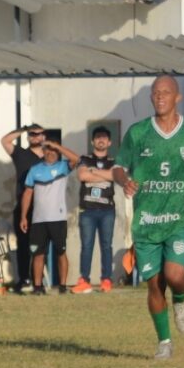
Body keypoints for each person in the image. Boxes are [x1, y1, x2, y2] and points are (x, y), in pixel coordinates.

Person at [113, 75, 184, 360]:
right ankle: (164, 343)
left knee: (174, 275)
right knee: (155, 283)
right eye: (155, 93)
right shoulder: (137, 133)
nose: (160, 97)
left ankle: (181, 301)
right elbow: (118, 166)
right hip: (147, 221)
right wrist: (125, 181)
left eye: (166, 92)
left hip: (180, 217)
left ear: (177, 97)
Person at [19, 140, 81, 294]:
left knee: (61, 252)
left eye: (54, 150)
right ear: (43, 152)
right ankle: (38, 287)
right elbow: (27, 193)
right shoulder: (34, 170)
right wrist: (23, 217)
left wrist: (58, 146)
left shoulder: (62, 167)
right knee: (38, 254)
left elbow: (77, 160)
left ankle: (62, 286)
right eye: (48, 150)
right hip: (38, 219)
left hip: (58, 218)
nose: (51, 153)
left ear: (58, 152)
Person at [1, 123, 47, 293]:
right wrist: (23, 130)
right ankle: (24, 279)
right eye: (33, 134)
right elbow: (5, 141)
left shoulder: (50, 157)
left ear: (44, 136)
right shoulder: (21, 154)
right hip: (24, 207)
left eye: (39, 134)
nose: (36, 137)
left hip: (44, 207)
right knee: (23, 245)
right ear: (28, 137)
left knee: (41, 246)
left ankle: (39, 282)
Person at [73, 126, 117, 294]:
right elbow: (83, 176)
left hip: (107, 210)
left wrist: (95, 172)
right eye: (98, 137)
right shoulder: (84, 159)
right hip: (87, 209)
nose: (101, 140)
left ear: (109, 141)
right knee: (87, 246)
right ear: (92, 141)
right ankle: (84, 280)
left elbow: (115, 176)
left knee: (106, 245)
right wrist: (104, 174)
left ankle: (106, 280)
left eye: (104, 137)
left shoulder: (114, 161)